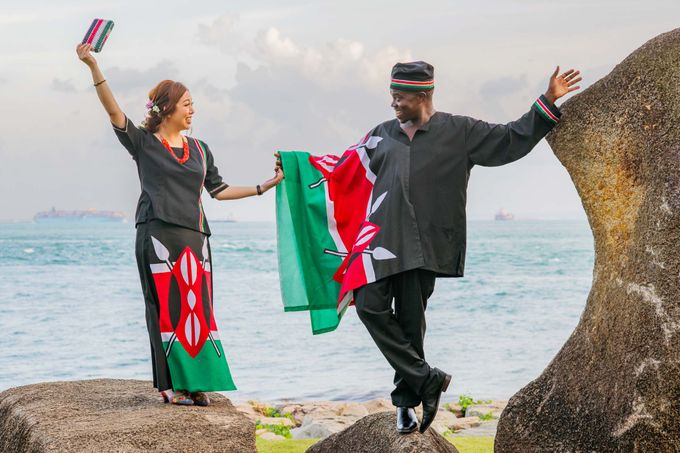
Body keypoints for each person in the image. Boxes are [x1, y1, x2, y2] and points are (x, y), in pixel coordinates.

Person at [344, 61, 581, 434]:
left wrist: (547, 101)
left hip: (427, 243)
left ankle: (406, 404)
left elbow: (509, 139)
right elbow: (344, 172)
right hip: (381, 242)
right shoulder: (380, 135)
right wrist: (293, 169)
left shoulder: (460, 131)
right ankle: (427, 380)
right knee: (369, 305)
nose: (393, 103)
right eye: (391, 95)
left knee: (410, 322)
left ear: (423, 95)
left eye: (399, 96)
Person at [76, 42, 283, 406]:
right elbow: (113, 110)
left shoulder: (201, 149)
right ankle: (170, 387)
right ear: (167, 109)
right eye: (187, 104)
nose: (193, 111)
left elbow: (218, 190)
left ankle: (196, 382)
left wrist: (264, 186)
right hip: (156, 234)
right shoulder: (142, 143)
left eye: (193, 105)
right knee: (164, 309)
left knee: (197, 310)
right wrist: (93, 66)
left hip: (195, 237)